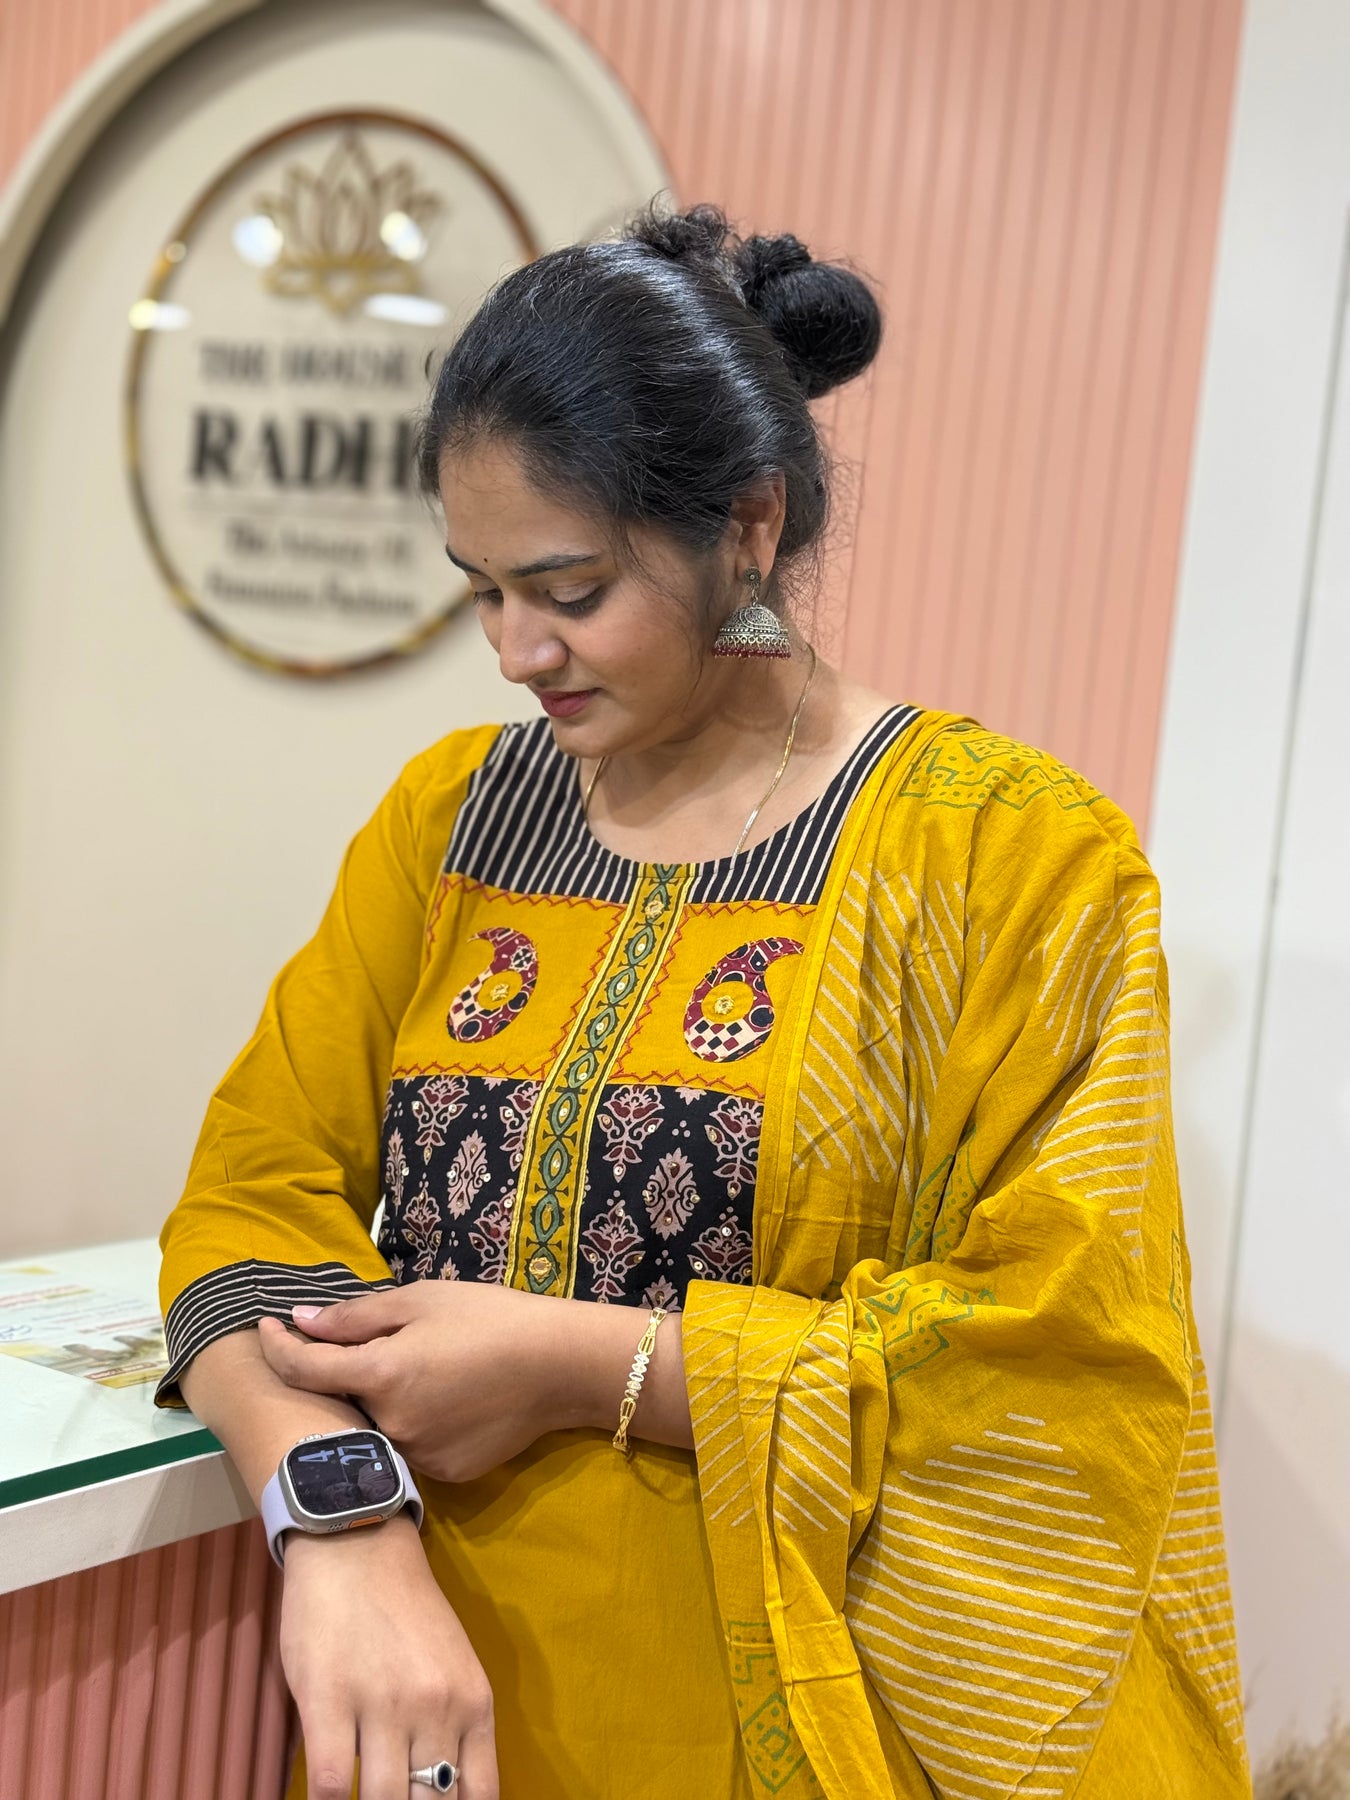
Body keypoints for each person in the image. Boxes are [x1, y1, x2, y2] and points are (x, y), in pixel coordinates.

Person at [156, 205, 1251, 1800]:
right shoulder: (452, 824)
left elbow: (1062, 1364)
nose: (514, 650)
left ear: (745, 525)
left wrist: (579, 1360)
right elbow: (249, 1197)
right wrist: (341, 1524)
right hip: (433, 1708)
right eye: (479, 590)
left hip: (806, 1729)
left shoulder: (1002, 858)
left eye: (568, 587)